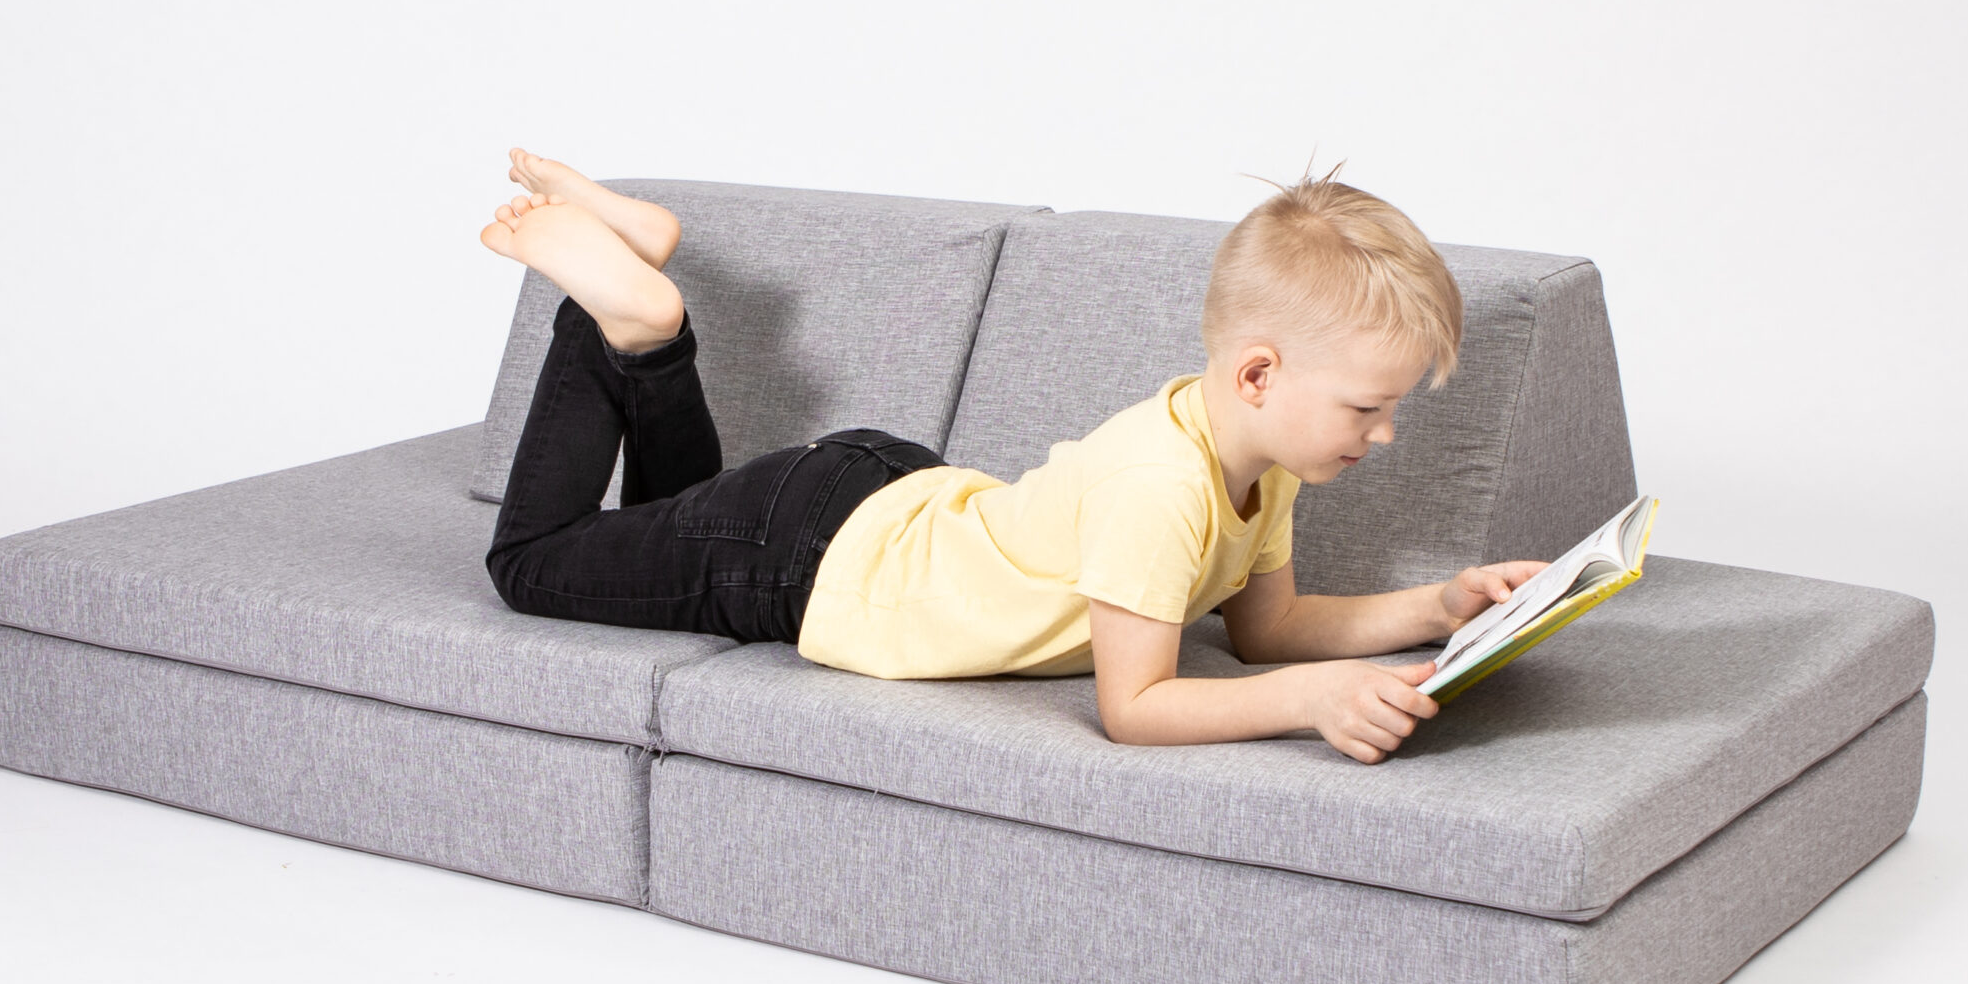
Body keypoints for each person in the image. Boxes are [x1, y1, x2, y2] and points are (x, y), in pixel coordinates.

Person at [481, 151, 1549, 763]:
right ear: (1260, 374)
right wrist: (1313, 701)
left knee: (667, 516)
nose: (1383, 433)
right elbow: (1136, 709)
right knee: (532, 561)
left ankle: (644, 314)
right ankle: (620, 313)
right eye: (1368, 407)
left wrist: (1440, 605)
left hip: (875, 503)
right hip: (815, 558)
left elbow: (1268, 628)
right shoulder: (1159, 488)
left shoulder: (1255, 460)